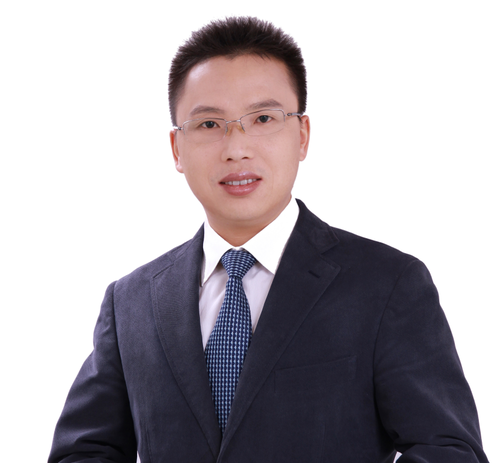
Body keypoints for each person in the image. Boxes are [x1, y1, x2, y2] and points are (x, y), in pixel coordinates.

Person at [48, 16, 489, 463]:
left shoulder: (386, 284)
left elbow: (447, 451)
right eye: (209, 124)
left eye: (262, 118)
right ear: (177, 149)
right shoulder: (131, 302)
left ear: (302, 135)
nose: (236, 148)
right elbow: (83, 451)